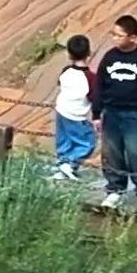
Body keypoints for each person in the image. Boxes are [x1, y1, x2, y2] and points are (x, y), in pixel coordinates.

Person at [90, 15, 137, 216]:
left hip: (135, 113)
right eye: (113, 34)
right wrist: (96, 113)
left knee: (135, 152)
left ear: (133, 37)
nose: (114, 38)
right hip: (111, 112)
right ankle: (115, 189)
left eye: (119, 35)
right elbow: (99, 87)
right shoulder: (109, 57)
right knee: (112, 152)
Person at [52, 37, 96, 180]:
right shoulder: (90, 77)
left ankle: (62, 165)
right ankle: (71, 164)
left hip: (61, 111)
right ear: (89, 52)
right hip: (77, 115)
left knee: (64, 141)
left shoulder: (66, 71)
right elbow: (94, 97)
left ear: (69, 54)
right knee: (87, 143)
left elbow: (60, 83)